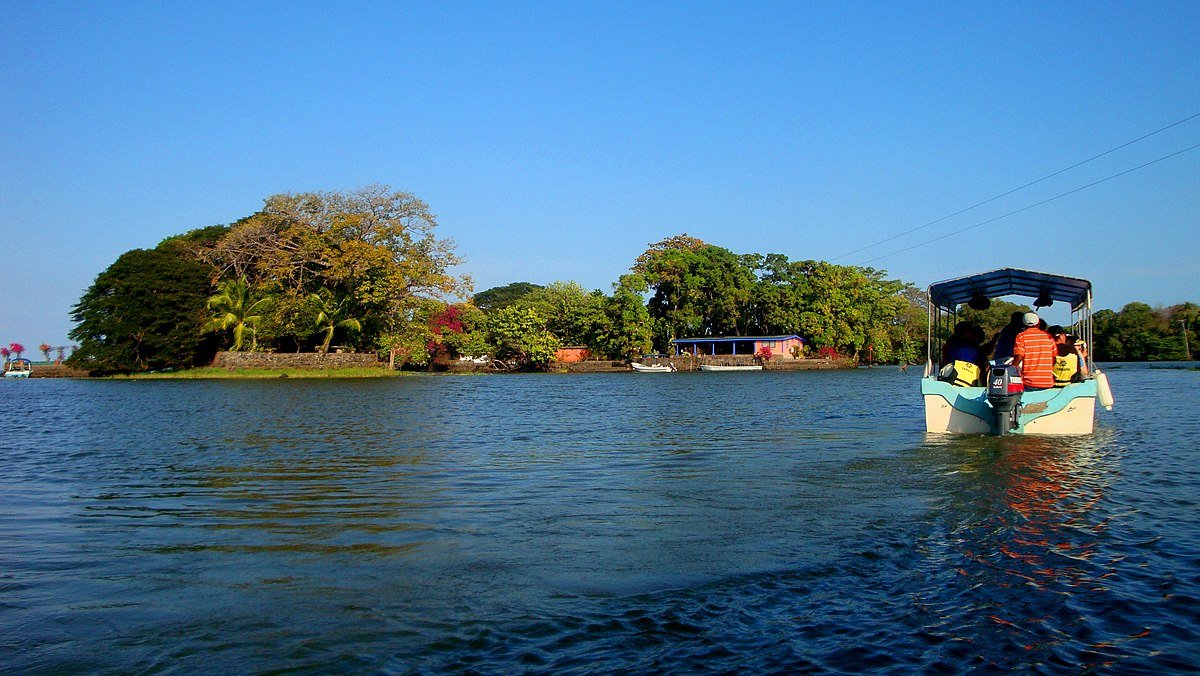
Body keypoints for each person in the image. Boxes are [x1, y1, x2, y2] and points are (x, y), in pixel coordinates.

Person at [1012, 311, 1057, 390]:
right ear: (1038, 322)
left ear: (1023, 323)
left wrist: (1011, 369)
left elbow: (1019, 356)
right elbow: (1054, 358)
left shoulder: (1021, 336)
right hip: (1047, 382)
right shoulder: (1048, 337)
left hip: (1029, 383)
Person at [940, 321, 985, 386]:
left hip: (949, 380)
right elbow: (983, 357)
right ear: (966, 334)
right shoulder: (971, 348)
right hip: (966, 381)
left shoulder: (951, 344)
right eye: (974, 332)